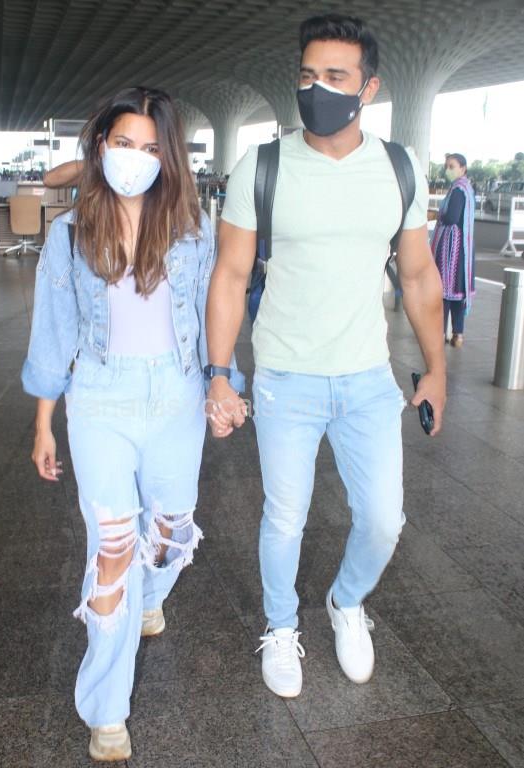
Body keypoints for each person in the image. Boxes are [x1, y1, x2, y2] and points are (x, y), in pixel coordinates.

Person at [205, 13, 446, 698]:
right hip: (286, 377)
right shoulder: (264, 165)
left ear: (368, 88)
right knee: (285, 517)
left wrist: (436, 369)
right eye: (308, 75)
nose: (318, 89)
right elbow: (229, 274)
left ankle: (346, 602)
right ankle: (281, 626)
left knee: (383, 521)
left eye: (335, 76)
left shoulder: (398, 167)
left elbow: (419, 276)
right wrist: (219, 374)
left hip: (368, 378)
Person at [21, 86, 242, 762]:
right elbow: (53, 331)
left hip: (177, 394)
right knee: (113, 547)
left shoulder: (192, 229)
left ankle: (149, 595)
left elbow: (212, 315)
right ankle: (106, 710)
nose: (136, 158)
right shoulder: (70, 233)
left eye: (151, 148)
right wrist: (43, 422)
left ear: (167, 157)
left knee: (171, 533)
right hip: (100, 398)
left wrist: (223, 382)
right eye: (124, 143)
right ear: (101, 145)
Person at [431, 153, 475, 347]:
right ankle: (458, 334)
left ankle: (440, 333)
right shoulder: (467, 188)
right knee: (458, 292)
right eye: (446, 166)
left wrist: (437, 215)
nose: (448, 170)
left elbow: (451, 218)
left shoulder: (458, 189)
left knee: (445, 292)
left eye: (452, 166)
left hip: (451, 249)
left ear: (462, 168)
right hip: (462, 248)